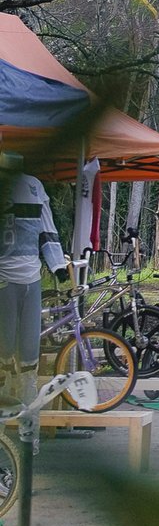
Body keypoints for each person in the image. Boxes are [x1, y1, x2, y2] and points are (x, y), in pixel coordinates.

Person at [0, 166, 70, 405]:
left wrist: (57, 264)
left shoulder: (34, 185)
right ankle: (5, 390)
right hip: (4, 277)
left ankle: (28, 396)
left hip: (31, 275)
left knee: (30, 340)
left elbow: (47, 229)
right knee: (5, 341)